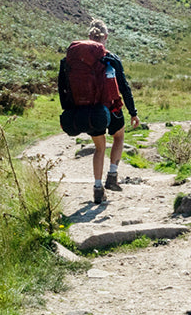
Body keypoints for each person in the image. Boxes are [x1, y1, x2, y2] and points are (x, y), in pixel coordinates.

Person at [57, 19, 138, 204]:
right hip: (112, 108)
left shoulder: (71, 60)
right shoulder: (111, 58)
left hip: (89, 112)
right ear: (105, 37)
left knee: (99, 148)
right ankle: (112, 175)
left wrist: (71, 108)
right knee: (119, 137)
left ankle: (97, 187)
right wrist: (133, 112)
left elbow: (62, 86)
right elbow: (124, 87)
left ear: (89, 37)